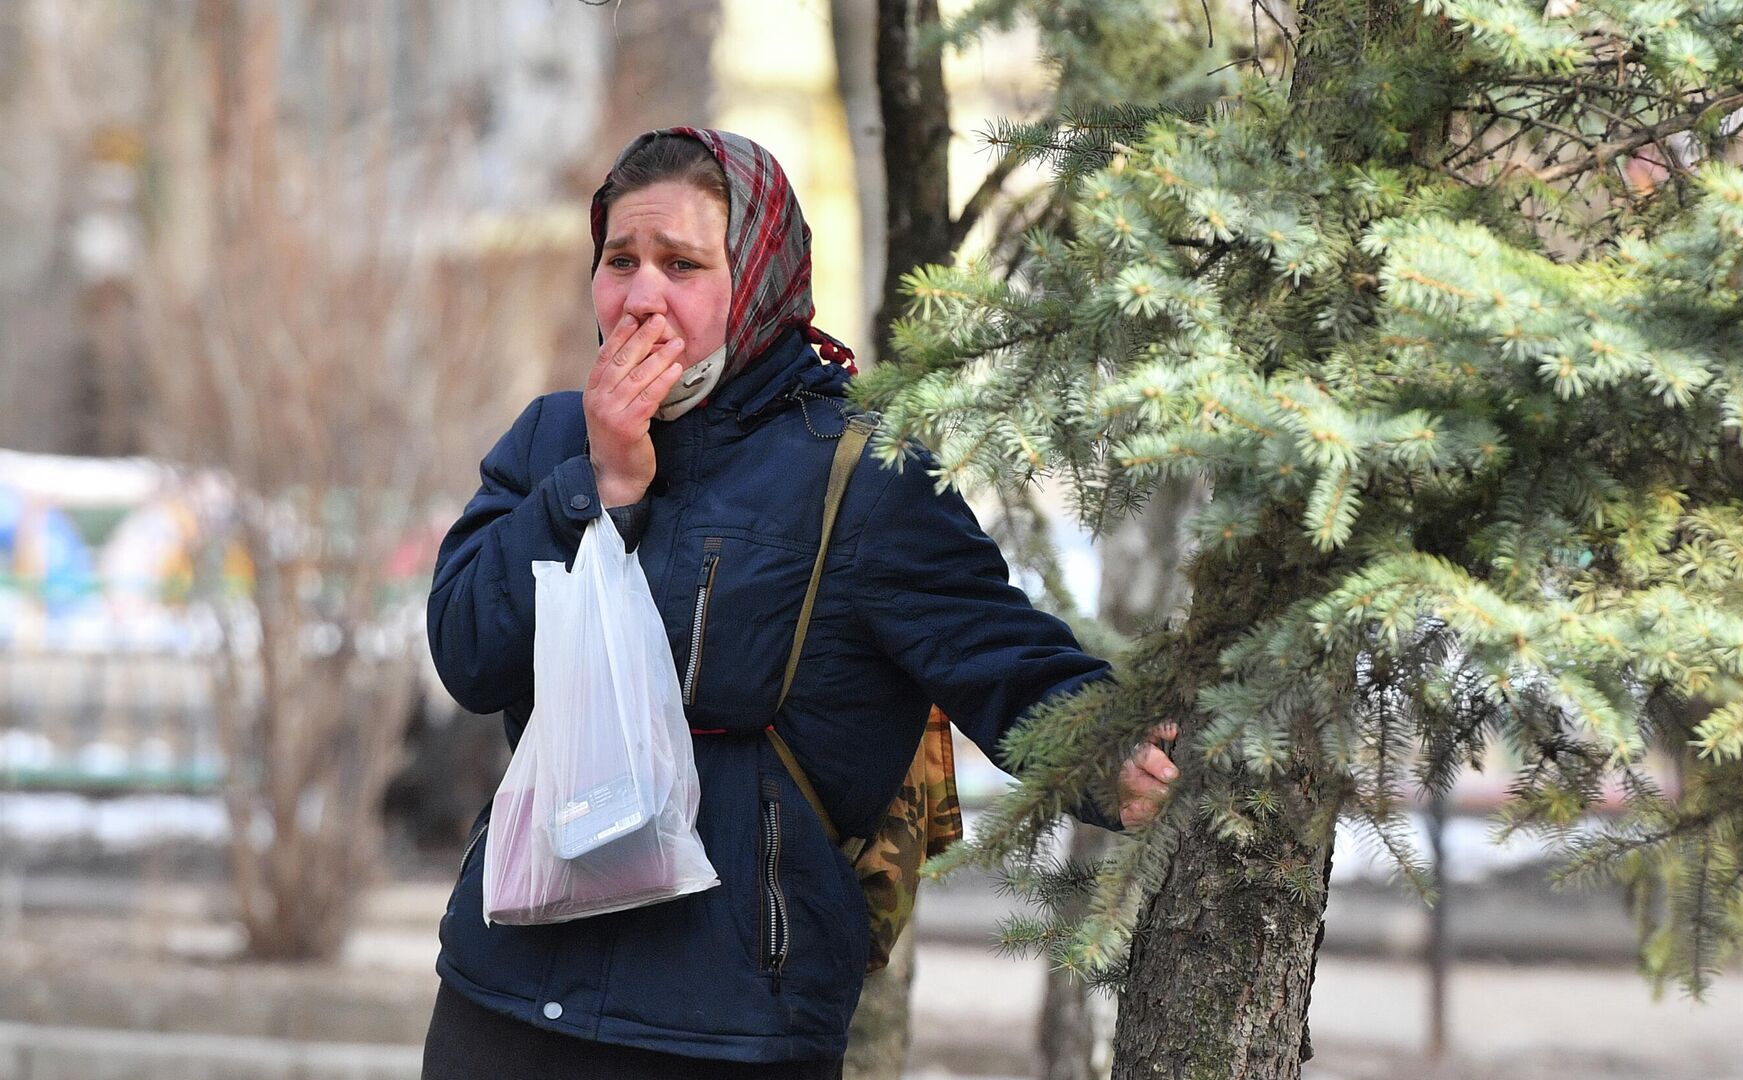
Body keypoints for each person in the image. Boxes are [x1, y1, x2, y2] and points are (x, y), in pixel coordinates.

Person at [423, 128, 1178, 1078]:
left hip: (732, 1028)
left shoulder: (859, 475)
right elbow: (465, 651)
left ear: (762, 281)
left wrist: (1111, 749)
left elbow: (998, 652)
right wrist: (598, 489)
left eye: (683, 264)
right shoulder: (548, 442)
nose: (641, 296)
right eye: (620, 261)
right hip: (509, 995)